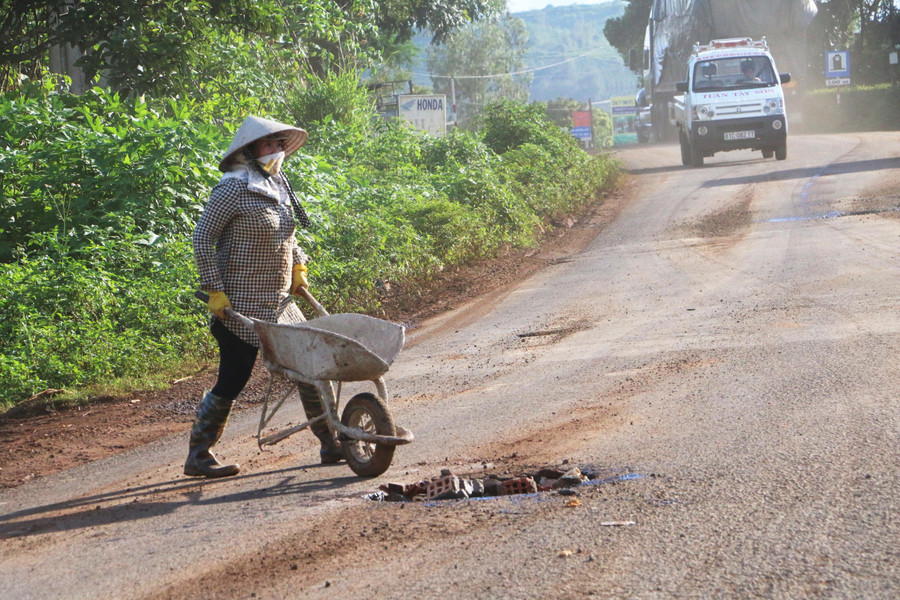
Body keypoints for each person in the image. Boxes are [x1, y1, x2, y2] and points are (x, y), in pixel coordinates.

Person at [184, 115, 343, 478]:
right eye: (269, 145)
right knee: (233, 379)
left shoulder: (277, 185)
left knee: (310, 369)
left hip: (279, 302)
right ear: (250, 152)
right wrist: (215, 290)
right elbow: (202, 238)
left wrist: (298, 269)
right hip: (239, 304)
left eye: (279, 145)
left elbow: (289, 236)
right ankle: (199, 454)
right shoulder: (234, 188)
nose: (276, 151)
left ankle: (331, 442)